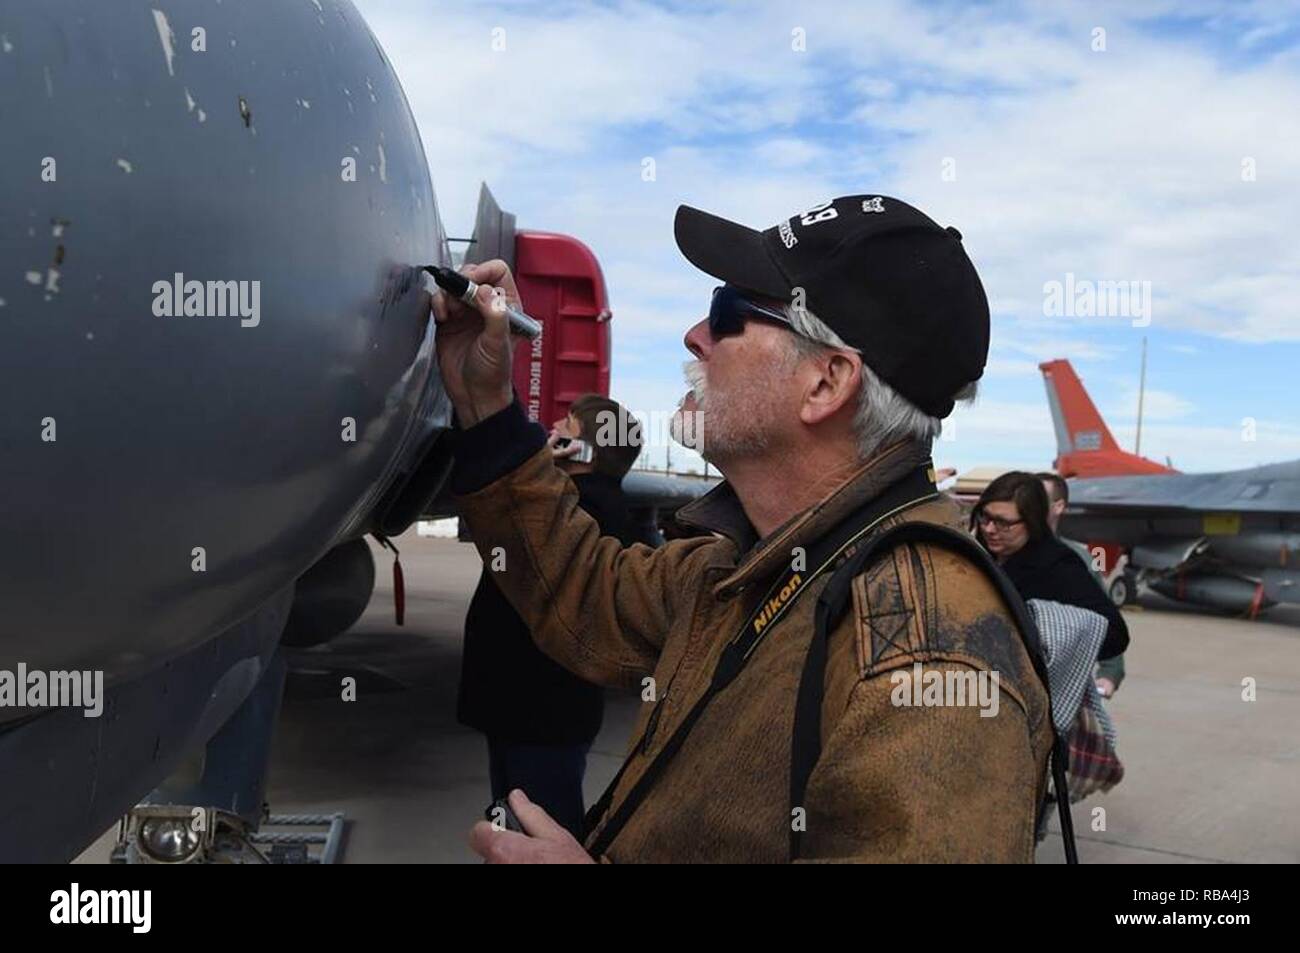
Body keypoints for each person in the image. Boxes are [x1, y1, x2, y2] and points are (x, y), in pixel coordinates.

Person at [436, 195, 1056, 863]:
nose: (695, 334)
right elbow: (585, 591)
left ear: (826, 381)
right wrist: (488, 405)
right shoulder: (757, 558)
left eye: (730, 312)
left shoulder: (928, 655)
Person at [456, 394, 649, 837]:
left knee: (546, 827)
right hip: (528, 705)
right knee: (515, 823)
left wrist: (535, 466)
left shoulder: (586, 512)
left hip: (541, 709)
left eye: (567, 425)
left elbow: (507, 525)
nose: (554, 427)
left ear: (584, 451)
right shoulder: (585, 503)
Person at [971, 472, 1129, 661]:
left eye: (1003, 523)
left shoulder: (1059, 567)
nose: (989, 529)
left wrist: (1040, 637)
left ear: (1032, 521)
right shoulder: (973, 554)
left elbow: (1114, 634)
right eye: (985, 517)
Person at [1038, 472, 1126, 698]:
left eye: (1037, 500)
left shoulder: (1079, 560)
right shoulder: (998, 553)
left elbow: (1102, 617)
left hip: (1061, 681)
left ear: (1058, 507)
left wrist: (1110, 672)